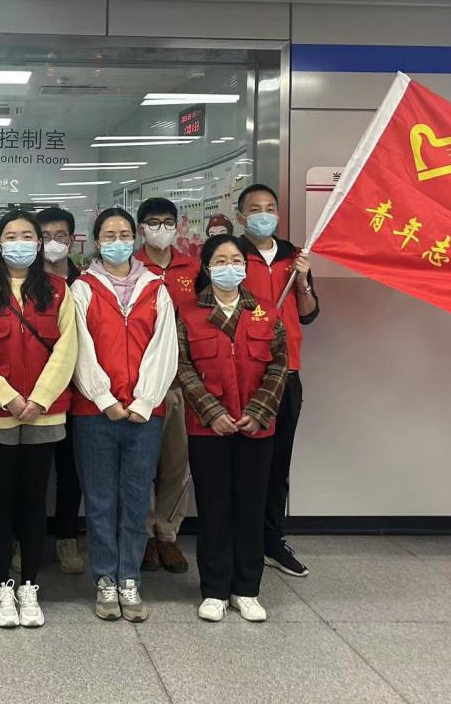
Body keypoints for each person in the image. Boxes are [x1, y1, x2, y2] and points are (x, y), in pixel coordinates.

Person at [70, 207, 177, 623]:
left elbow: (165, 349)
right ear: (97, 241)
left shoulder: (157, 288)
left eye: (124, 234)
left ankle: (129, 577)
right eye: (109, 234)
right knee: (99, 501)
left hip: (144, 416)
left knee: (136, 501)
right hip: (95, 414)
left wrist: (144, 401)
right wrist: (103, 399)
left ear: (135, 238)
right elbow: (79, 347)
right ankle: (105, 578)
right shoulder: (83, 288)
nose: (118, 241)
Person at [177, 235, 288, 623]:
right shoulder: (189, 312)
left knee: (251, 506)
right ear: (207, 268)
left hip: (256, 428)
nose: (229, 266)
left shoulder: (266, 311)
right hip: (208, 428)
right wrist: (211, 412)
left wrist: (259, 411)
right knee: (213, 507)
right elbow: (183, 366)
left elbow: (279, 365)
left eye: (236, 260)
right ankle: (214, 589)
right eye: (221, 260)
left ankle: (247, 588)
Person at [0, 211, 78, 629]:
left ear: (39, 244)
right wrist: (8, 398)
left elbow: (68, 348)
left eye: (27, 236)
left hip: (45, 413)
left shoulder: (58, 289)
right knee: (0, 499)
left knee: (35, 501)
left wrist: (39, 399)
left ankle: (29, 585)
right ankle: (2, 586)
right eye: (11, 236)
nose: (20, 242)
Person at [236, 184, 320, 578]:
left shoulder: (294, 256)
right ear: (241, 216)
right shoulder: (231, 256)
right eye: (255, 209)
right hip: (244, 372)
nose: (263, 215)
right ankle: (243, 542)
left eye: (270, 208)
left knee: (277, 465)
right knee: (245, 465)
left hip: (287, 373)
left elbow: (308, 313)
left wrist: (302, 280)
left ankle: (272, 541)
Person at [135, 198, 199, 576]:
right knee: (141, 464)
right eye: (153, 222)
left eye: (167, 222)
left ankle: (167, 535)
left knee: (177, 463)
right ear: (141, 228)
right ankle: (144, 535)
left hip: (182, 383)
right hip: (140, 383)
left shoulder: (194, 267)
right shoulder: (130, 267)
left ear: (178, 226)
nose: (161, 229)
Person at [36, 206, 85, 575]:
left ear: (72, 240)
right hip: (32, 394)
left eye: (60, 236)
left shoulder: (87, 283)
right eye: (45, 236)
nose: (53, 243)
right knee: (32, 474)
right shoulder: (24, 280)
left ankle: (66, 537)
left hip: (79, 393)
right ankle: (28, 539)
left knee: (71, 471)